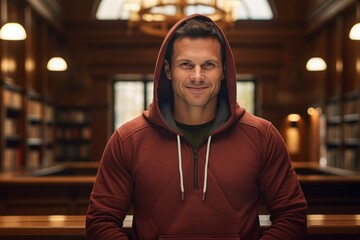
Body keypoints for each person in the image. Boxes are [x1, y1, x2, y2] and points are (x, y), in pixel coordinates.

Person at [86, 14, 307, 240]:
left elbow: (292, 215)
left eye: (209, 65)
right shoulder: (127, 139)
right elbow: (101, 221)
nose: (198, 76)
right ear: (169, 70)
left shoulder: (262, 136)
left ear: (223, 71)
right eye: (186, 64)